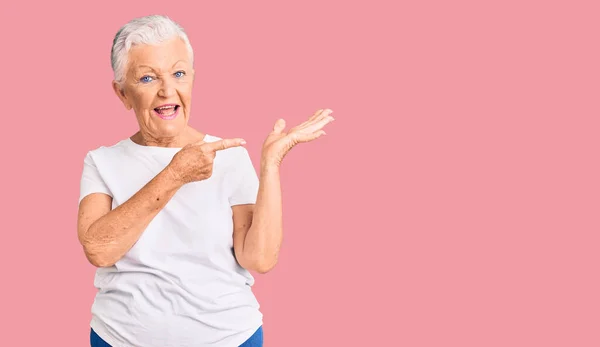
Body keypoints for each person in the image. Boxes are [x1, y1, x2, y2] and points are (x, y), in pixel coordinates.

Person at [77, 14, 334, 347]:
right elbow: (99, 249)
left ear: (192, 80)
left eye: (179, 73)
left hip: (230, 338)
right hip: (119, 339)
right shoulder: (102, 162)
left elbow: (259, 259)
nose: (167, 90)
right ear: (123, 93)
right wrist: (174, 174)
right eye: (147, 78)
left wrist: (270, 165)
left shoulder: (230, 157)